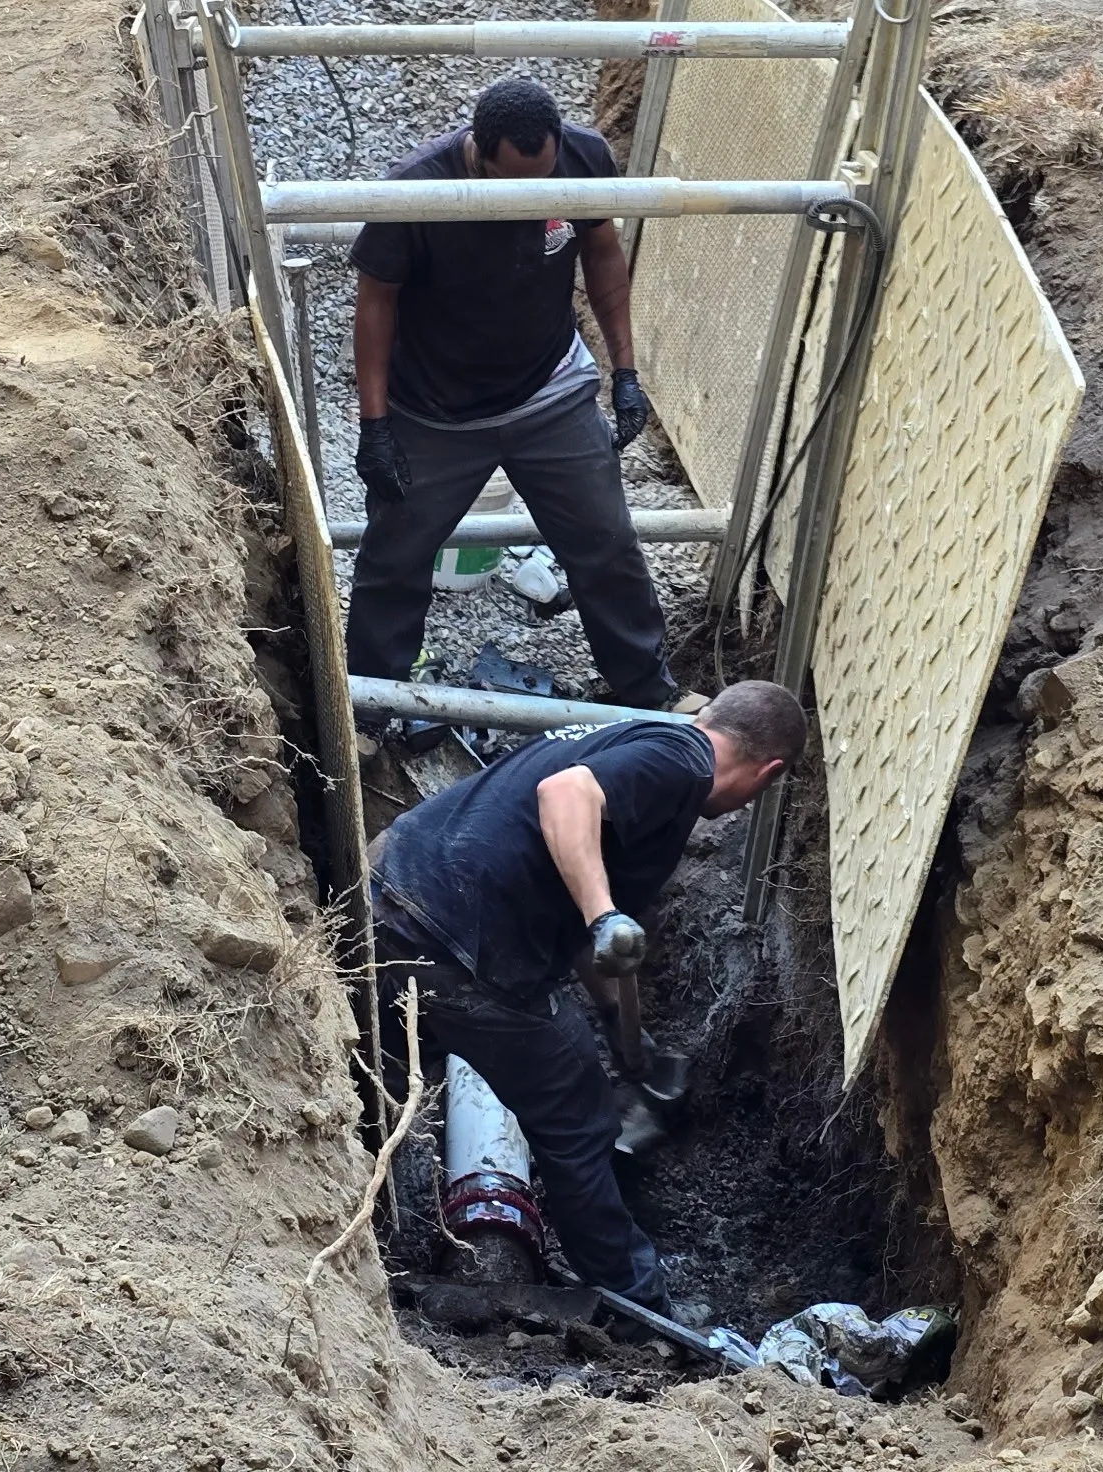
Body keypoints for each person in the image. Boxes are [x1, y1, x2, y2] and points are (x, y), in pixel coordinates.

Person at [371, 679, 808, 1309]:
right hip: (464, 937)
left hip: (396, 889)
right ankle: (636, 1302)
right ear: (768, 772)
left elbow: (583, 921)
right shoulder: (682, 763)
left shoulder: (634, 743)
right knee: (577, 1115)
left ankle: (349, 1202)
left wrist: (620, 1027)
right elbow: (565, 794)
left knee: (384, 1055)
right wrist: (606, 917)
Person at [345, 77, 682, 711]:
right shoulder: (415, 189)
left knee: (606, 542)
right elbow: (375, 306)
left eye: (543, 184)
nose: (531, 200)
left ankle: (647, 690)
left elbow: (603, 255)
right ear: (479, 151)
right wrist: (376, 426)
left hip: (549, 390)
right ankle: (371, 705)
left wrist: (625, 373)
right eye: (513, 186)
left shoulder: (583, 157)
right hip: (435, 412)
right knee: (394, 560)